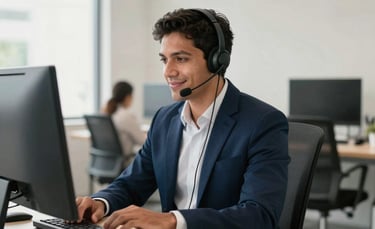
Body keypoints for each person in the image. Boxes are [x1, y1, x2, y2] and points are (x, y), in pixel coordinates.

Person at [75, 8, 289, 229]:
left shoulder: (262, 123)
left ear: (217, 61)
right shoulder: (165, 120)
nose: (168, 71)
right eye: (164, 60)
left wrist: (172, 220)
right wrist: (101, 202)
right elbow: (131, 184)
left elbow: (259, 215)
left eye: (180, 58)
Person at [103, 81, 146, 164]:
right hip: (123, 163)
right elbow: (142, 142)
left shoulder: (107, 112)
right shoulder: (126, 116)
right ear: (128, 97)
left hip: (106, 163)